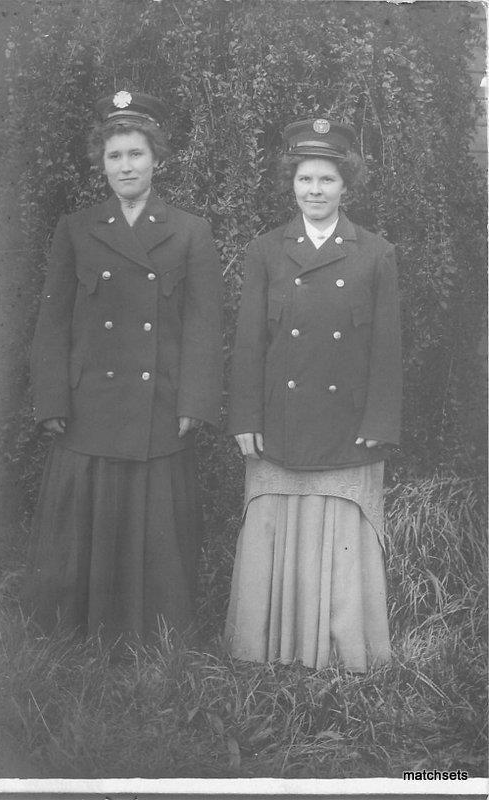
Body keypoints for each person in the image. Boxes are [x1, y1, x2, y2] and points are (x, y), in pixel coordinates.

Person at [25, 91, 223, 644]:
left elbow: (205, 326)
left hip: (157, 406)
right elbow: (53, 323)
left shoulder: (190, 231)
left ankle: (155, 640)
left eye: (136, 154)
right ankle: (73, 638)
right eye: (114, 156)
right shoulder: (76, 227)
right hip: (89, 405)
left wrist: (195, 403)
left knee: (155, 529)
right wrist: (51, 402)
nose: (126, 166)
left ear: (156, 159)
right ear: (102, 164)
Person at [225, 118, 402, 673]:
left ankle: (340, 651)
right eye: (306, 179)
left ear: (346, 186)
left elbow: (388, 347)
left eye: (327, 179)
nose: (316, 191)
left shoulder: (375, 253)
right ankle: (265, 649)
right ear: (292, 183)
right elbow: (249, 341)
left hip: (347, 423)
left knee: (339, 532)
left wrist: (380, 418)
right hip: (280, 421)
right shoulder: (266, 250)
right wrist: (245, 416)